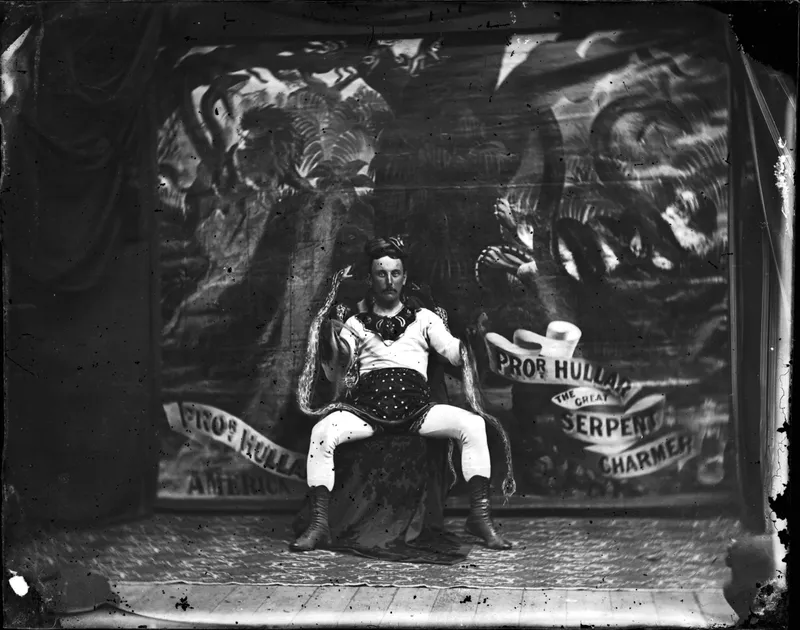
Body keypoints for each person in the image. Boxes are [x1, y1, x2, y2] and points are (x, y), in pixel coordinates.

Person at [290, 236, 512, 552]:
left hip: (417, 410)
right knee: (322, 433)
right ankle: (319, 525)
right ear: (371, 279)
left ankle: (480, 517)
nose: (389, 281)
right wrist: (334, 341)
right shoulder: (355, 322)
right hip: (367, 411)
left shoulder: (425, 319)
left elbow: (452, 352)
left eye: (395, 273)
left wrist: (471, 342)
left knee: (473, 425)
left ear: (404, 277)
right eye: (381, 274)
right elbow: (340, 363)